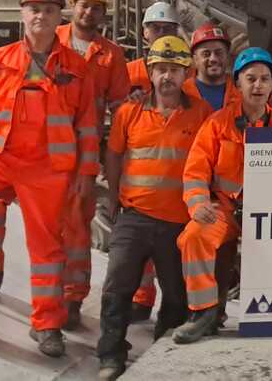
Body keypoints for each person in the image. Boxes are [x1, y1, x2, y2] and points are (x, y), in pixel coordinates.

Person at [0, 0, 136, 329]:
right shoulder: (4, 58)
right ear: (25, 13)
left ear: (58, 15)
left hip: (52, 165)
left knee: (57, 240)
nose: (40, 17)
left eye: (48, 10)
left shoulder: (90, 63)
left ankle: (58, 312)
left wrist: (87, 172)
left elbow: (93, 123)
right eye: (34, 9)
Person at [97, 37, 213, 379]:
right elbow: (115, 156)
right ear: (150, 72)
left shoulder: (201, 113)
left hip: (179, 221)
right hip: (133, 217)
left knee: (176, 294)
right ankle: (111, 357)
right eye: (161, 69)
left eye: (175, 71)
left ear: (186, 74)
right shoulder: (129, 112)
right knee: (117, 288)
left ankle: (164, 354)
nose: (167, 77)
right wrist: (115, 199)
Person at [173, 48, 272, 344]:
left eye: (264, 79)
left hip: (271, 214)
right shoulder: (218, 123)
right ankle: (203, 313)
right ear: (238, 83)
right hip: (227, 208)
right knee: (193, 237)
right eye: (250, 79)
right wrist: (198, 204)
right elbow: (195, 170)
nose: (258, 86)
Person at [128, 1, 184, 97]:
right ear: (145, 32)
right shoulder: (128, 71)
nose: (161, 33)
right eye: (155, 28)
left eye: (168, 28)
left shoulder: (188, 72)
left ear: (176, 32)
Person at [182, 22, 240, 111]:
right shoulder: (181, 93)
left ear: (227, 56)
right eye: (206, 54)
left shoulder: (241, 91)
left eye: (219, 53)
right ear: (195, 59)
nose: (213, 59)